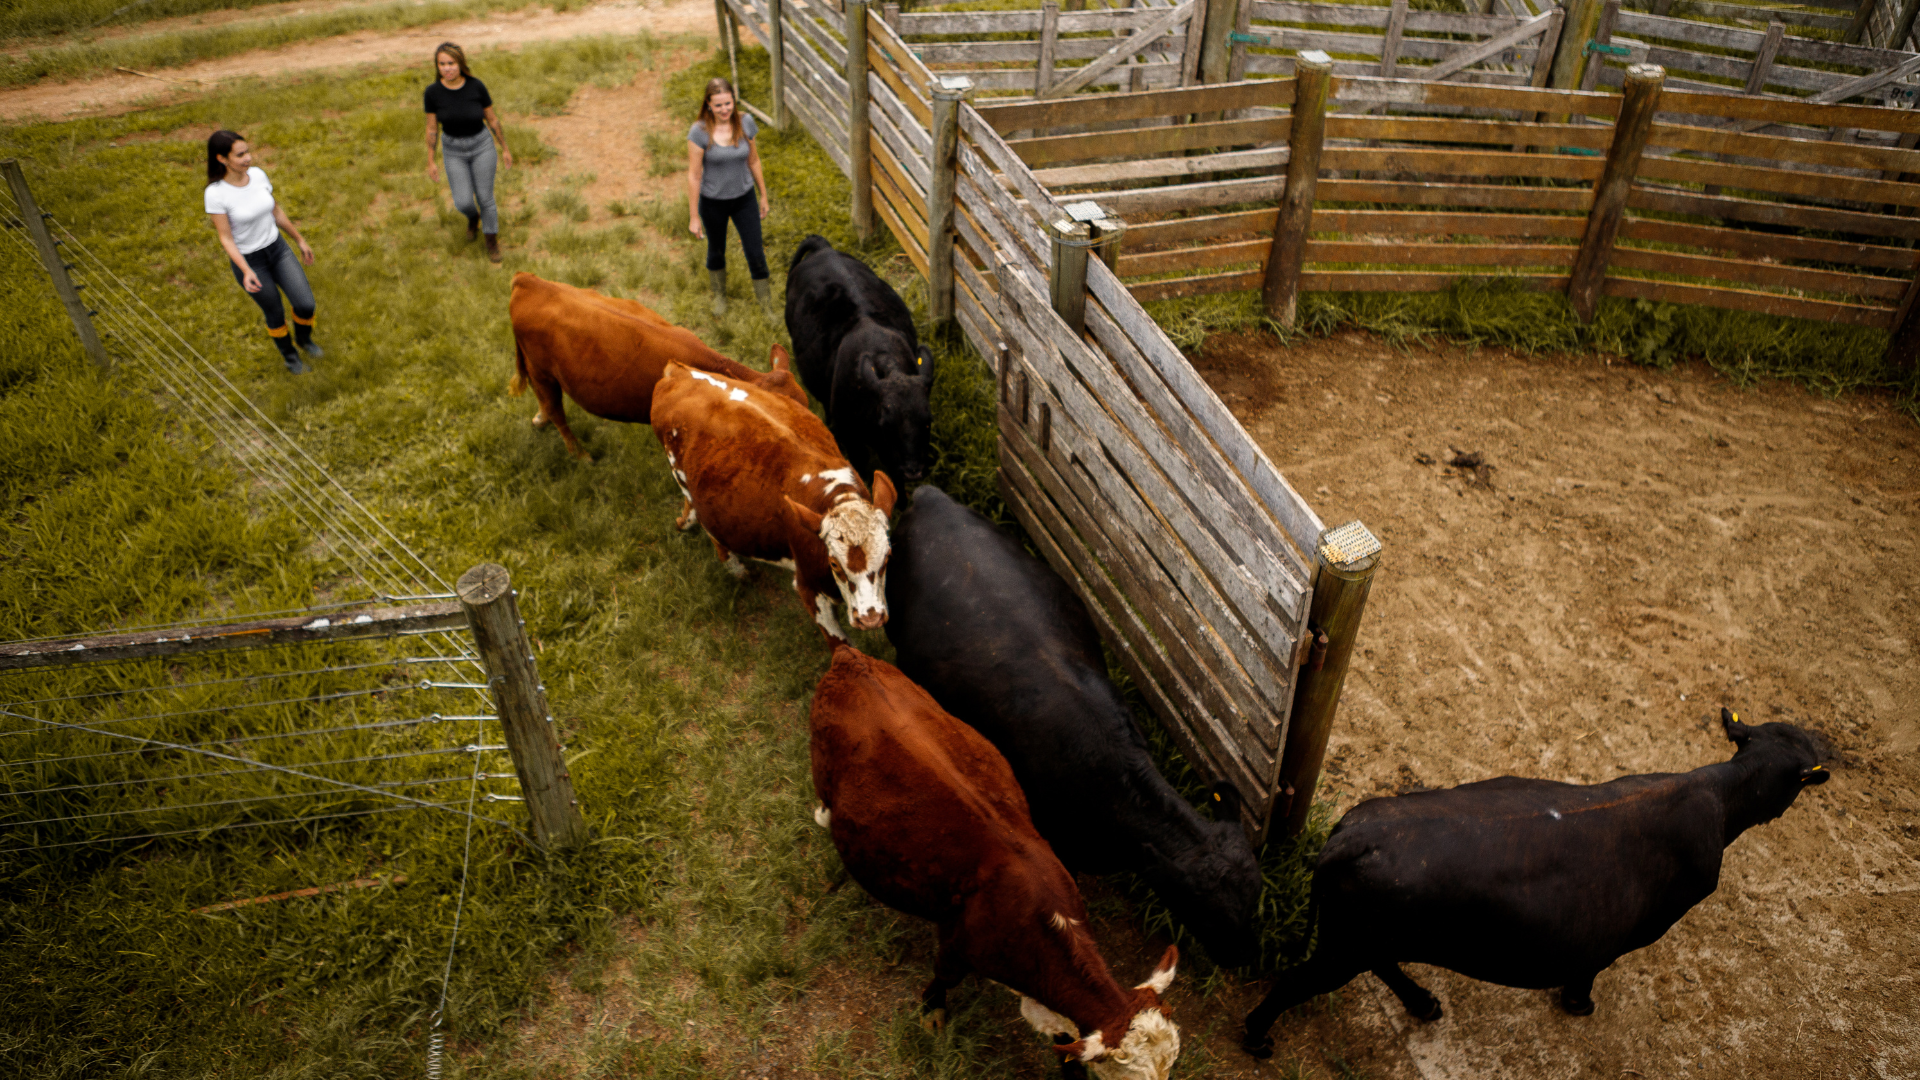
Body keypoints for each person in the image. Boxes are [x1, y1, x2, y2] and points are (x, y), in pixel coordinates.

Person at [204, 130, 322, 374]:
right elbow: (226, 238)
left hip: (278, 250)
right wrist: (246, 270)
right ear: (222, 159)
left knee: (305, 304)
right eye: (240, 155)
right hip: (251, 261)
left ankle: (304, 339)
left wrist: (299, 240)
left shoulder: (257, 176)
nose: (248, 158)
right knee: (274, 312)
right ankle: (291, 358)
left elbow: (275, 212)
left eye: (247, 152)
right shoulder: (216, 194)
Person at [687, 77, 773, 318]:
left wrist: (763, 195)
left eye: (728, 103)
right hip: (713, 202)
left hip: (744, 199)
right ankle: (720, 298)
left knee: (755, 252)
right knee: (716, 250)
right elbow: (694, 175)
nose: (724, 109)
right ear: (708, 104)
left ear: (734, 101)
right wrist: (694, 216)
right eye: (718, 105)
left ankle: (766, 307)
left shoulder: (746, 123)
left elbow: (754, 160)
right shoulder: (699, 132)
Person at [424, 41, 513, 263]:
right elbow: (432, 128)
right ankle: (473, 217)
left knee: (485, 197)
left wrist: (505, 148)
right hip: (453, 150)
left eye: (451, 63)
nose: (447, 68)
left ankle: (491, 241)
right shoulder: (432, 93)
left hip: (481, 145)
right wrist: (431, 160)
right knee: (462, 201)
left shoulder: (476, 87)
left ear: (461, 64)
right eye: (442, 64)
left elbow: (492, 119)